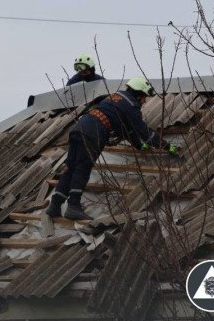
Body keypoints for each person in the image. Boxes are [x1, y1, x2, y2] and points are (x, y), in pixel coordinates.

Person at [46, 76, 180, 220]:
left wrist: (139, 145)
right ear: (139, 94)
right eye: (144, 97)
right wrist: (167, 146)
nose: (144, 101)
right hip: (94, 132)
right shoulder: (132, 105)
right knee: (83, 167)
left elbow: (126, 130)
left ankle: (55, 205)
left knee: (71, 167)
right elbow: (143, 131)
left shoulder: (115, 98)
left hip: (79, 127)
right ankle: (73, 206)